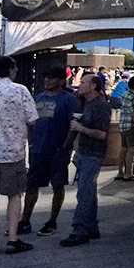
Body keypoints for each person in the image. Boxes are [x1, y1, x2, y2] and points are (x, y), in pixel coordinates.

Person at [0, 56, 39, 255]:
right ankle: (13, 239)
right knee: (15, 195)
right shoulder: (20, 90)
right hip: (13, 152)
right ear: (10, 70)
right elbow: (32, 119)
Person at [18, 67, 81, 237]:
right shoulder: (37, 98)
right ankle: (25, 220)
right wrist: (31, 144)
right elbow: (29, 122)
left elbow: (73, 124)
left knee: (58, 185)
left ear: (61, 81)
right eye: (46, 77)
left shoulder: (69, 100)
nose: (47, 81)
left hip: (57, 150)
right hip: (38, 149)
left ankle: (52, 221)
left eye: (52, 78)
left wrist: (65, 146)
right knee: (32, 185)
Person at [60, 72, 114, 247]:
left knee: (84, 191)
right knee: (88, 191)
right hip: (84, 151)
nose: (80, 85)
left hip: (93, 153)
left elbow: (101, 134)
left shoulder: (101, 106)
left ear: (93, 86)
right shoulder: (84, 103)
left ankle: (79, 229)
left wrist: (81, 128)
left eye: (83, 82)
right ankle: (91, 227)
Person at [116, 76, 134, 181]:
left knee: (123, 149)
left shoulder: (125, 95)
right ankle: (128, 173)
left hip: (122, 125)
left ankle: (120, 172)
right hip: (130, 126)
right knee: (131, 150)